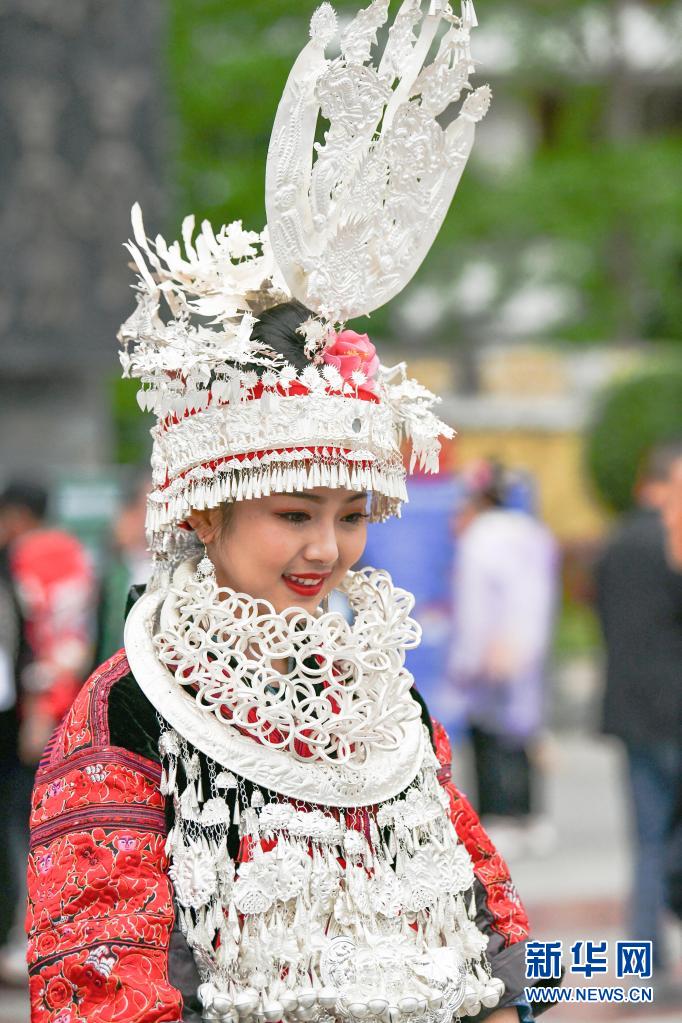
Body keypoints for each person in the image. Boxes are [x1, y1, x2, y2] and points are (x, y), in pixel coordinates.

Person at [27, 5, 560, 1021]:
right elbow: (99, 986)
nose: (327, 548)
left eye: (351, 514)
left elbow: (492, 921)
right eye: (292, 514)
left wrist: (516, 1002)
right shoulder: (128, 713)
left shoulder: (377, 696)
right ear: (203, 515)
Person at [0, 481, 93, 984]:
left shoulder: (31, 558)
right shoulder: (73, 553)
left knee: (25, 827)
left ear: (14, 517)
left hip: (40, 714)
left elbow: (48, 637)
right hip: (71, 709)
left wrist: (39, 707)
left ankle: (29, 938)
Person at [596, 439, 682, 971]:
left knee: (648, 839)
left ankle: (646, 963)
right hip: (674, 710)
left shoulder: (614, 543)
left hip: (630, 710)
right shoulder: (671, 543)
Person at [447, 463, 558, 856]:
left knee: (489, 734)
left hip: (493, 648)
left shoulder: (479, 539)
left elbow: (476, 607)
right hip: (531, 646)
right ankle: (531, 815)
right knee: (523, 730)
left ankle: (499, 814)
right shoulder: (533, 533)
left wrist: (467, 658)